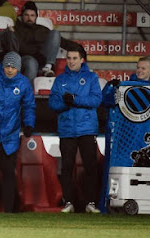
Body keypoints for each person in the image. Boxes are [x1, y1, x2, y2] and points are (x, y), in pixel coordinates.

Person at [0, 51, 35, 212]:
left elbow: (29, 106)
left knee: (8, 171)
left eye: (13, 67)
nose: (9, 69)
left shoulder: (24, 83)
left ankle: (9, 209)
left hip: (10, 132)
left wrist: (29, 124)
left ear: (19, 68)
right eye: (7, 66)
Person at [48, 45, 102, 213]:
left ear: (82, 60)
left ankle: (91, 203)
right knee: (66, 167)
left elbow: (96, 100)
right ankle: (68, 202)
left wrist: (75, 99)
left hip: (87, 128)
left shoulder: (92, 78)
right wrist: (66, 102)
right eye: (68, 58)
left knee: (90, 167)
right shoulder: (60, 79)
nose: (71, 61)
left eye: (74, 58)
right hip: (67, 129)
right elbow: (52, 103)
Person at [13, 1, 79, 81]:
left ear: (36, 17)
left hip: (42, 59)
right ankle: (27, 90)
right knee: (31, 63)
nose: (29, 18)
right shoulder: (16, 29)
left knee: (55, 33)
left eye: (32, 15)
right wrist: (37, 54)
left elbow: (62, 42)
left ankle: (47, 67)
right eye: (26, 15)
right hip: (26, 58)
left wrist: (79, 48)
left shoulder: (42, 29)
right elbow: (21, 48)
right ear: (22, 16)